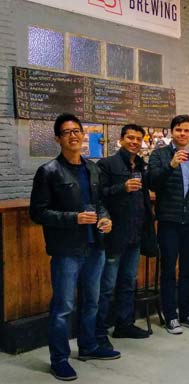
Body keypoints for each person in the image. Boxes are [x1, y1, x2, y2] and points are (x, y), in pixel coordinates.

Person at [30, 113, 120, 381]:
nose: (73, 135)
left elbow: (100, 202)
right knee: (63, 306)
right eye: (67, 132)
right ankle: (59, 359)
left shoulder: (92, 168)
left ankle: (88, 346)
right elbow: (38, 212)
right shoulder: (48, 171)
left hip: (95, 246)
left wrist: (106, 219)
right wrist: (74, 218)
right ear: (58, 139)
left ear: (84, 135)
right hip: (66, 250)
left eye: (77, 131)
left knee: (92, 301)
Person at [148, 114, 189, 335]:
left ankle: (186, 313)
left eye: (186, 130)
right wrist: (171, 165)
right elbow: (152, 183)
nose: (182, 134)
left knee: (187, 271)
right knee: (168, 271)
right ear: (172, 132)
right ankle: (171, 316)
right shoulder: (159, 155)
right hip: (169, 222)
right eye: (178, 130)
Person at [95, 124, 157, 350]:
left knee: (128, 282)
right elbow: (99, 195)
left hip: (135, 234)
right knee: (107, 285)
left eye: (138, 138)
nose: (134, 141)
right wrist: (122, 187)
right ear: (121, 139)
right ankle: (98, 331)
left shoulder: (141, 164)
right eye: (130, 137)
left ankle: (124, 324)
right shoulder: (107, 164)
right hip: (115, 235)